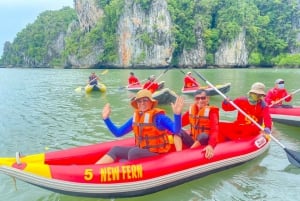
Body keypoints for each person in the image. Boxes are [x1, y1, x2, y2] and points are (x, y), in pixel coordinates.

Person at [96, 89, 184, 164]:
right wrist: (106, 119)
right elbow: (118, 133)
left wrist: (177, 115)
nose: (142, 103)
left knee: (134, 152)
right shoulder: (135, 118)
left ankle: (125, 166)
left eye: (145, 100)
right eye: (139, 101)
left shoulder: (159, 117)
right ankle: (96, 169)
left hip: (156, 153)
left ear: (151, 102)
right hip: (141, 150)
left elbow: (175, 130)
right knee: (116, 149)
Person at [177, 89, 219, 159]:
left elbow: (215, 130)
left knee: (203, 135)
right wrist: (177, 114)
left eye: (203, 98)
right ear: (195, 99)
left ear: (207, 99)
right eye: (197, 98)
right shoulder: (191, 110)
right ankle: (179, 154)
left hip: (204, 141)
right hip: (193, 140)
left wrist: (211, 145)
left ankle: (187, 154)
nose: (200, 100)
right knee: (177, 130)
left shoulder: (212, 112)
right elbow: (179, 124)